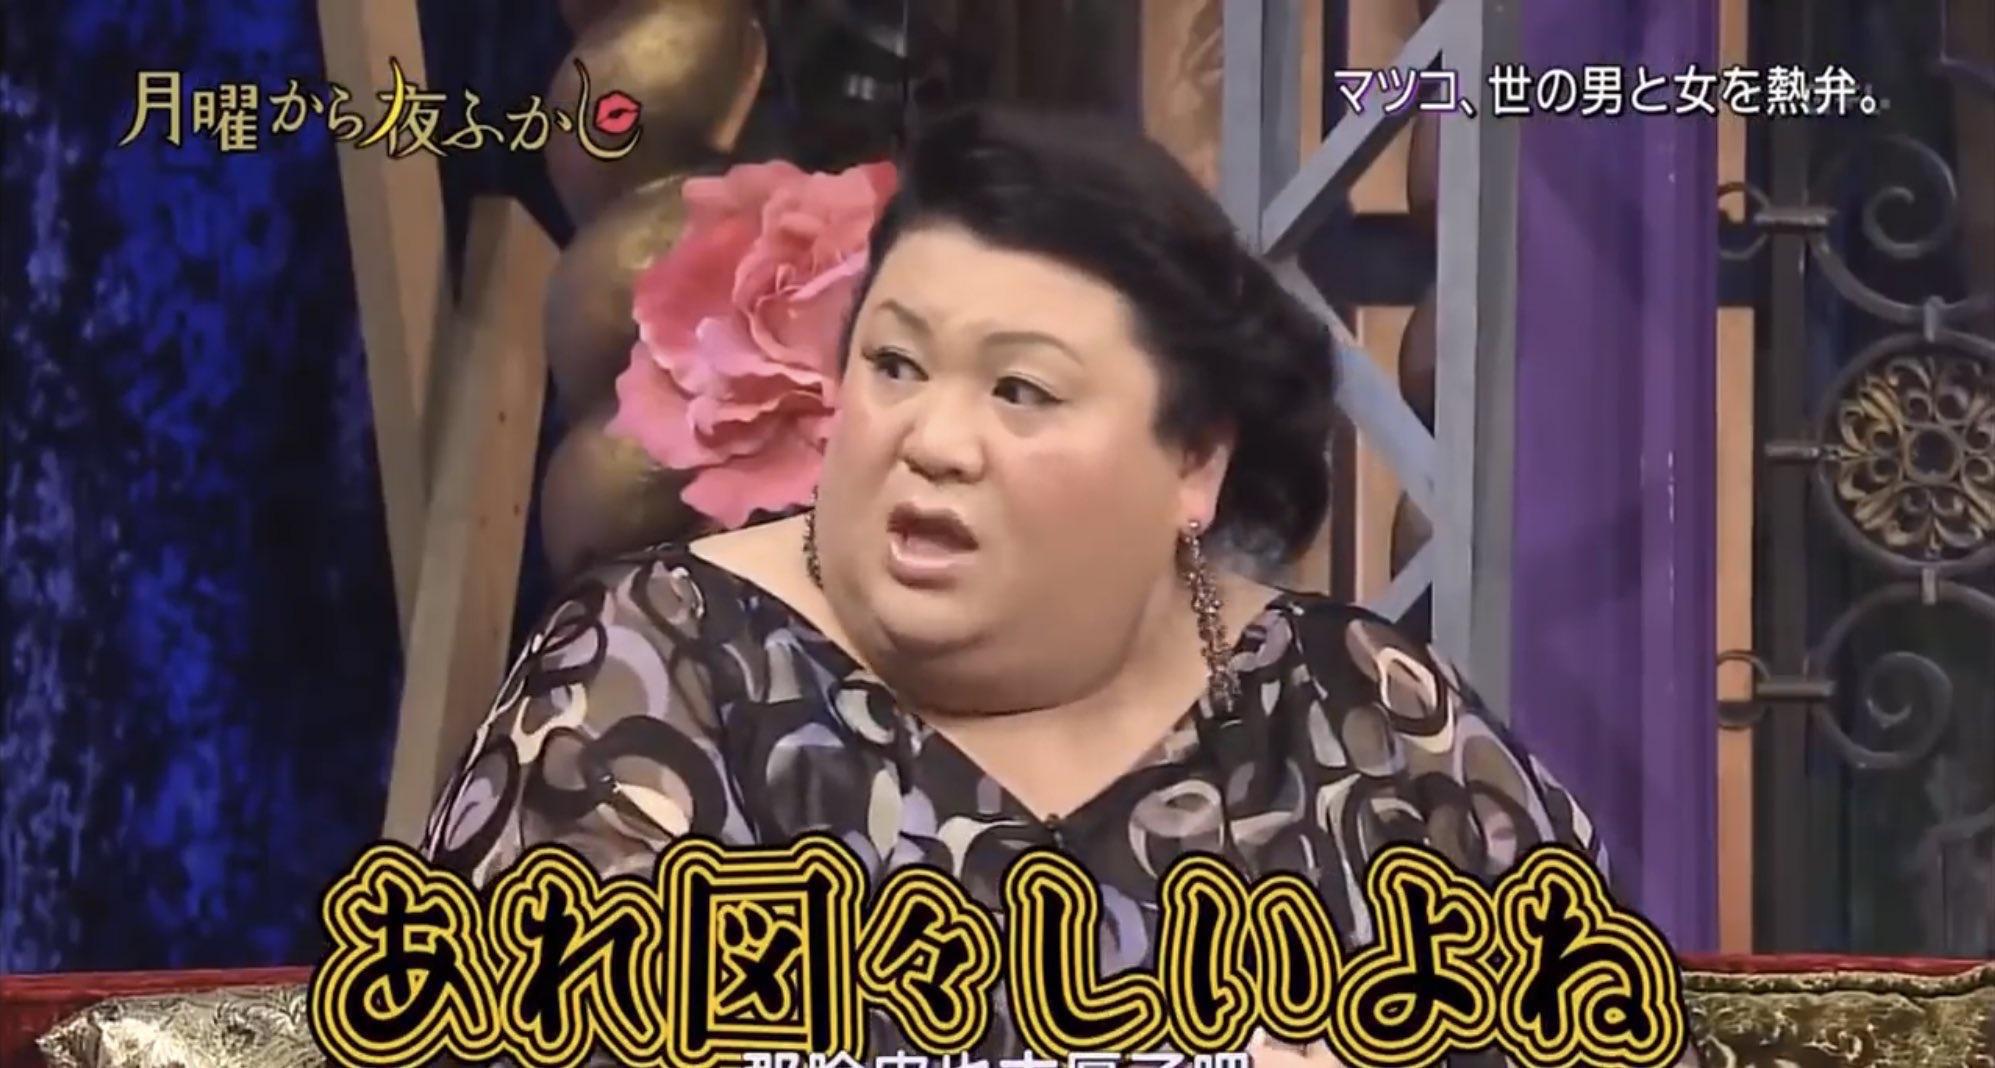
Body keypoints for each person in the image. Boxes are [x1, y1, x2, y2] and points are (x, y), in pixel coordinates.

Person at [419, 105, 1614, 1065]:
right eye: (895, 365)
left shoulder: (1371, 722)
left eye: (1021, 391)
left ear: (1193, 462)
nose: (934, 441)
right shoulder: (653, 673)